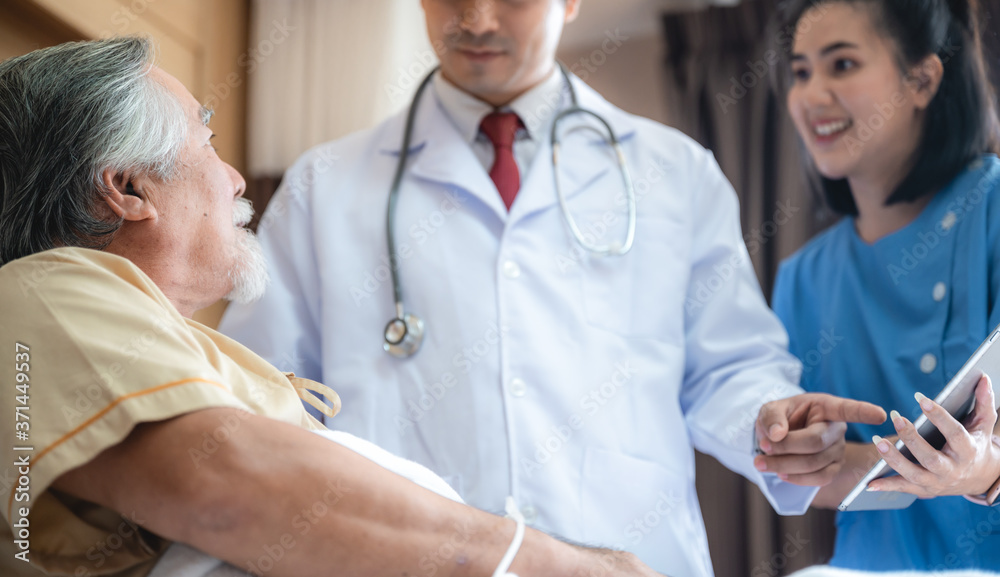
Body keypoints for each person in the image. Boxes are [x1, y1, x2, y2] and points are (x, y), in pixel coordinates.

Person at [220, 0, 885, 575]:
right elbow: (258, 400)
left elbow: (729, 367)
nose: (477, 19)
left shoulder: (672, 172)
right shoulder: (325, 187)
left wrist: (770, 418)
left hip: (635, 556)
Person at [0, 37, 674, 577]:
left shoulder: (153, 339)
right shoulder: (37, 295)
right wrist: (558, 565)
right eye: (205, 141)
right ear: (126, 186)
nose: (235, 177)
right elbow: (228, 485)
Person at [767, 0, 1000, 570]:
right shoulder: (803, 278)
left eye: (842, 64)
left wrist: (984, 468)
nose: (812, 95)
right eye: (799, 72)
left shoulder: (994, 212)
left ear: (922, 80)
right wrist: (797, 455)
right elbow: (814, 477)